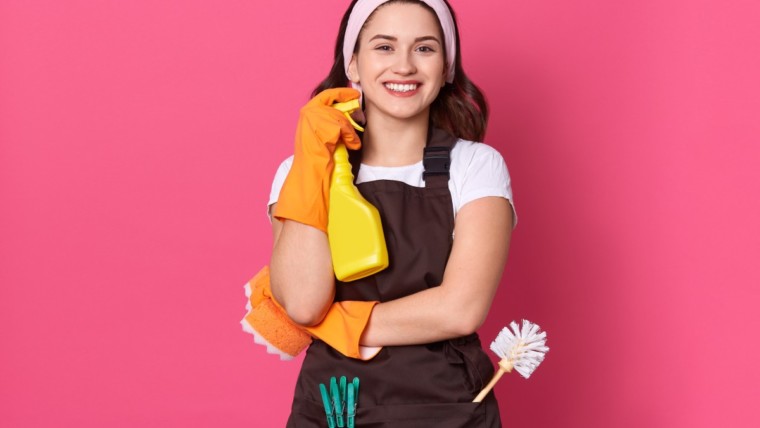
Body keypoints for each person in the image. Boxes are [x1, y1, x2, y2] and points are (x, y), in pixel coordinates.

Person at [267, 0, 515, 426]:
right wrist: (314, 159)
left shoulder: (477, 165)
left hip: (447, 410)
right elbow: (305, 305)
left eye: (424, 48)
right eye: (384, 47)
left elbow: (460, 309)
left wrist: (340, 324)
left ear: (446, 67)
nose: (404, 66)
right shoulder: (301, 171)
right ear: (354, 64)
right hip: (332, 408)